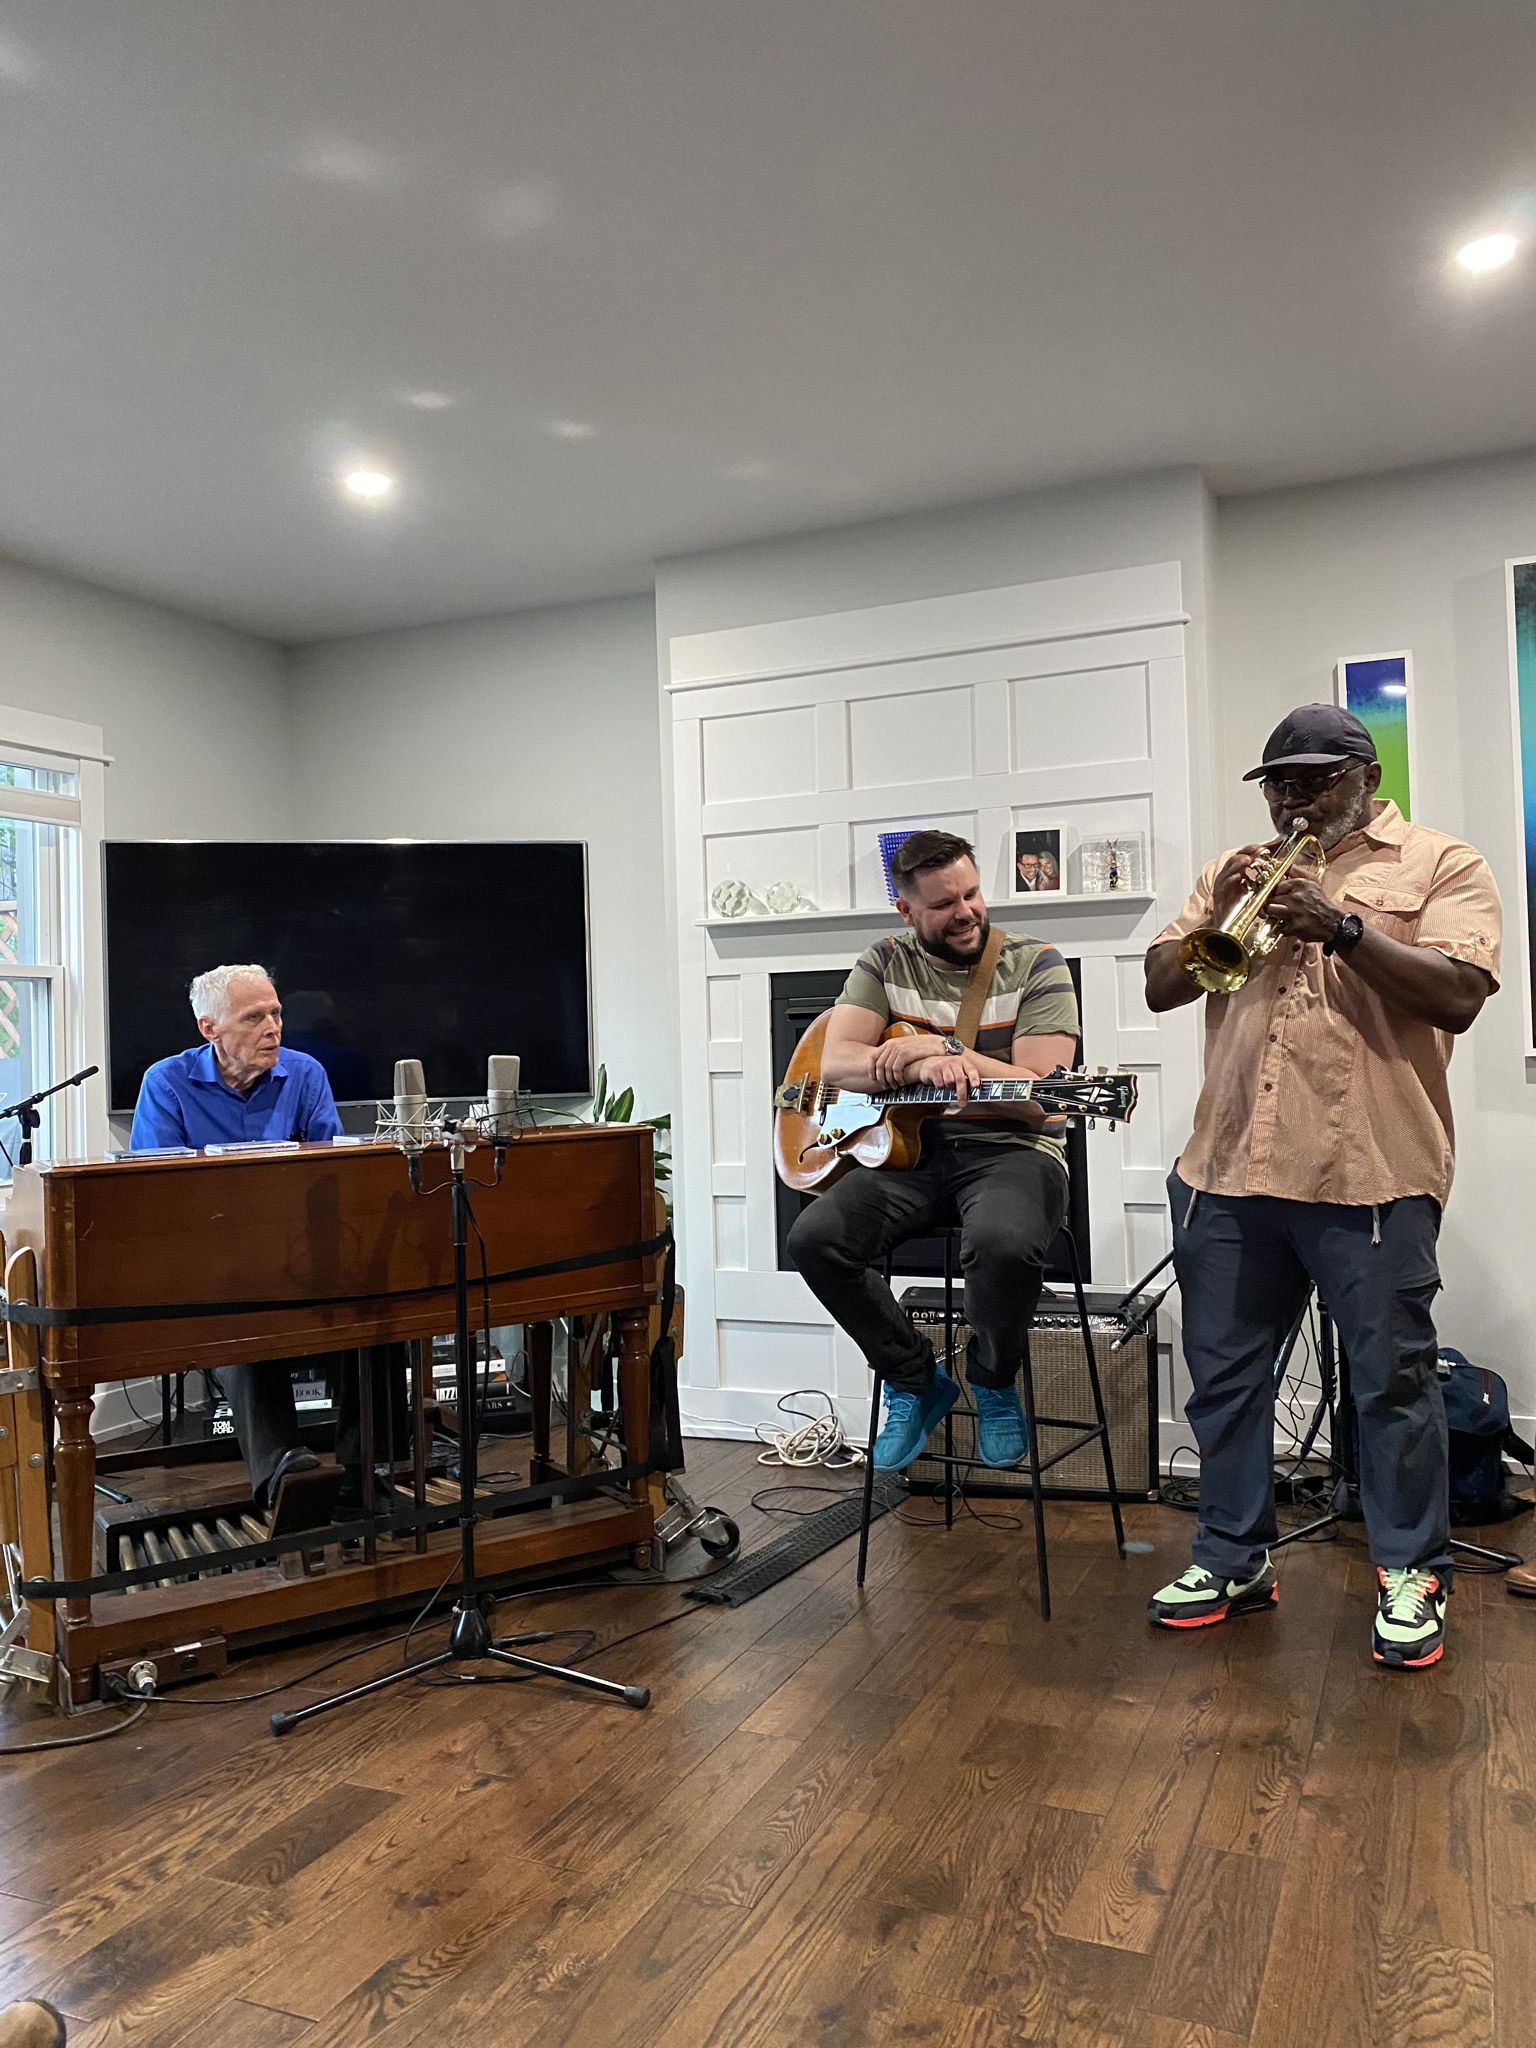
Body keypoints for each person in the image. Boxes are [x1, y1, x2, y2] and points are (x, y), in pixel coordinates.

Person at [1143, 705, 1500, 1670]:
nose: (1293, 799)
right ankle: (1232, 1555)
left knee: (1391, 1385)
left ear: (1365, 773)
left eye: (1313, 780)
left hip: (1371, 1173)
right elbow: (1160, 985)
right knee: (1222, 1381)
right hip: (1226, 1170)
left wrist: (1341, 928)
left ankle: (1409, 1570)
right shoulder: (1235, 870)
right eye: (1279, 784)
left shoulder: (1441, 862)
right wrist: (1224, 914)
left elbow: (1461, 997)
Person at [788, 830, 1079, 1470]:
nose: (966, 912)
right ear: (907, 911)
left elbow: (1045, 1097)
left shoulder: (1037, 963)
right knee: (814, 1240)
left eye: (972, 893)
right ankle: (917, 1380)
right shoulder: (884, 962)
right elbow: (836, 1063)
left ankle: (994, 1381)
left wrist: (938, 1051)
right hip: (908, 1150)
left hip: (1013, 1150)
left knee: (1003, 1242)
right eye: (944, 904)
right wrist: (917, 1066)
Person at [131, 964, 396, 1517]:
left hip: (299, 1256)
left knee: (381, 1318)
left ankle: (364, 1471)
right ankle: (282, 1478)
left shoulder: (305, 1073)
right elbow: (156, 1197)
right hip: (214, 1268)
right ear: (210, 1029)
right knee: (245, 1321)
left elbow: (331, 1177)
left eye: (276, 1012)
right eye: (254, 1017)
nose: (274, 1026)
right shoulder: (167, 1082)